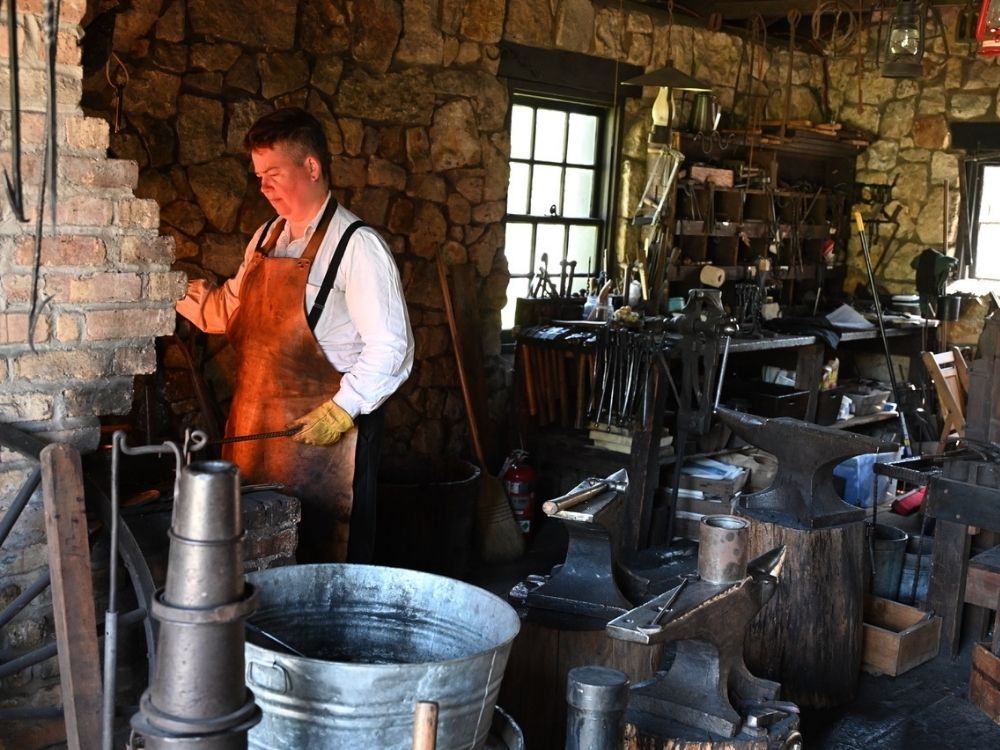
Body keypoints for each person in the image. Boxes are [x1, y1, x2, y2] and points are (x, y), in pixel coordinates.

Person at [177, 107, 414, 563]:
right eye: (259, 176)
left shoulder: (356, 245)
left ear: (311, 167)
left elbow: (392, 346)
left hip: (326, 438)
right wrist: (167, 289)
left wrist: (344, 409)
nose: (263, 187)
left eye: (273, 174)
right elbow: (227, 310)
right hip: (257, 432)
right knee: (255, 554)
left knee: (327, 554)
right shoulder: (266, 237)